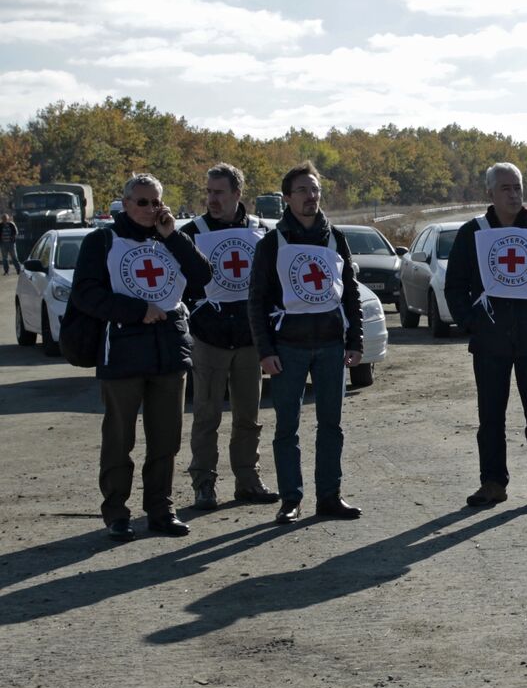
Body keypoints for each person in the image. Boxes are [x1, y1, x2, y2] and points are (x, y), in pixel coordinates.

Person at [71, 174, 212, 541]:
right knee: (119, 440)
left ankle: (161, 510)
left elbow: (202, 276)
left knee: (166, 439)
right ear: (126, 203)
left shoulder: (171, 238)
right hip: (122, 353)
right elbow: (85, 294)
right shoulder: (101, 241)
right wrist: (136, 310)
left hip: (169, 353)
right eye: (142, 202)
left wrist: (172, 235)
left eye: (156, 202)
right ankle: (117, 513)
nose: (150, 209)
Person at [444, 162, 527, 510]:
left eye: (518, 187)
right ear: (490, 193)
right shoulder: (473, 232)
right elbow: (454, 285)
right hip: (490, 342)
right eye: (506, 188)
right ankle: (492, 483)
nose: (514, 195)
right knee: (490, 418)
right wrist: (471, 322)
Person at [247, 162, 364, 524]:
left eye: (315, 190)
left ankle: (329, 497)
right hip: (288, 348)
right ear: (286, 198)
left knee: (332, 426)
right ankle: (291, 499)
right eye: (302, 190)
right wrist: (265, 350)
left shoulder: (335, 238)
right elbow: (256, 301)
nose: (311, 196)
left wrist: (355, 340)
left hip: (331, 346)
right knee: (287, 428)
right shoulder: (272, 242)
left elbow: (350, 293)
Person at [180, 163, 279, 511]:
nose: (212, 199)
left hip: (250, 339)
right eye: (208, 192)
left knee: (248, 417)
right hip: (209, 339)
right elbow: (178, 284)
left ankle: (248, 480)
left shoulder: (261, 231)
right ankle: (203, 484)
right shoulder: (191, 233)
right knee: (206, 416)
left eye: (219, 192)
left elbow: (273, 281)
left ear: (238, 194)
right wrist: (199, 315)